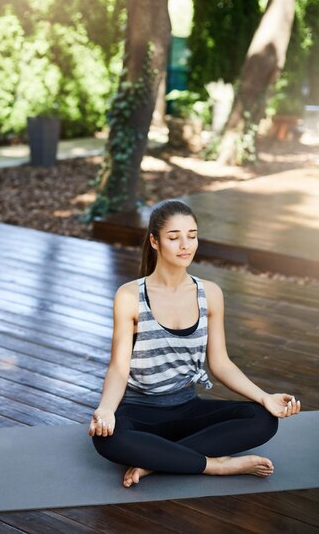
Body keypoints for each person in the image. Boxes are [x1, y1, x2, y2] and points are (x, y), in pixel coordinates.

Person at [89, 199, 301, 488]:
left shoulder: (209, 294)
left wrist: (264, 397)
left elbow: (221, 364)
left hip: (186, 408)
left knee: (262, 419)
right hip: (140, 414)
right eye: (174, 238)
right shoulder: (130, 296)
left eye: (192, 235)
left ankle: (156, 461)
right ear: (154, 241)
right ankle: (214, 465)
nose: (185, 245)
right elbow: (118, 367)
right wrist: (105, 409)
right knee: (108, 439)